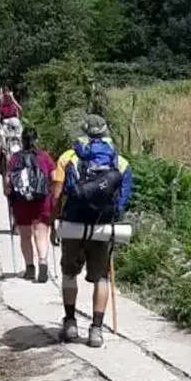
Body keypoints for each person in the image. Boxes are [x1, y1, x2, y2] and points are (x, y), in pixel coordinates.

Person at [50, 114, 133, 348]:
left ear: (84, 132)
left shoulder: (69, 157)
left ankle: (70, 324)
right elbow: (124, 199)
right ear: (106, 132)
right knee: (102, 278)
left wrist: (54, 223)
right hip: (103, 227)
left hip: (73, 223)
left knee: (69, 273)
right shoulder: (120, 162)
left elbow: (57, 195)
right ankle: (96, 330)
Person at [4, 127, 56, 282]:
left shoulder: (14, 158)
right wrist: (51, 194)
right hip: (41, 201)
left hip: (21, 203)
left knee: (25, 237)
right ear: (37, 140)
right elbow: (54, 177)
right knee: (41, 234)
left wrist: (8, 193)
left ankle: (30, 268)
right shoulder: (44, 157)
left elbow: (8, 182)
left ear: (22, 140)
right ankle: (43, 261)